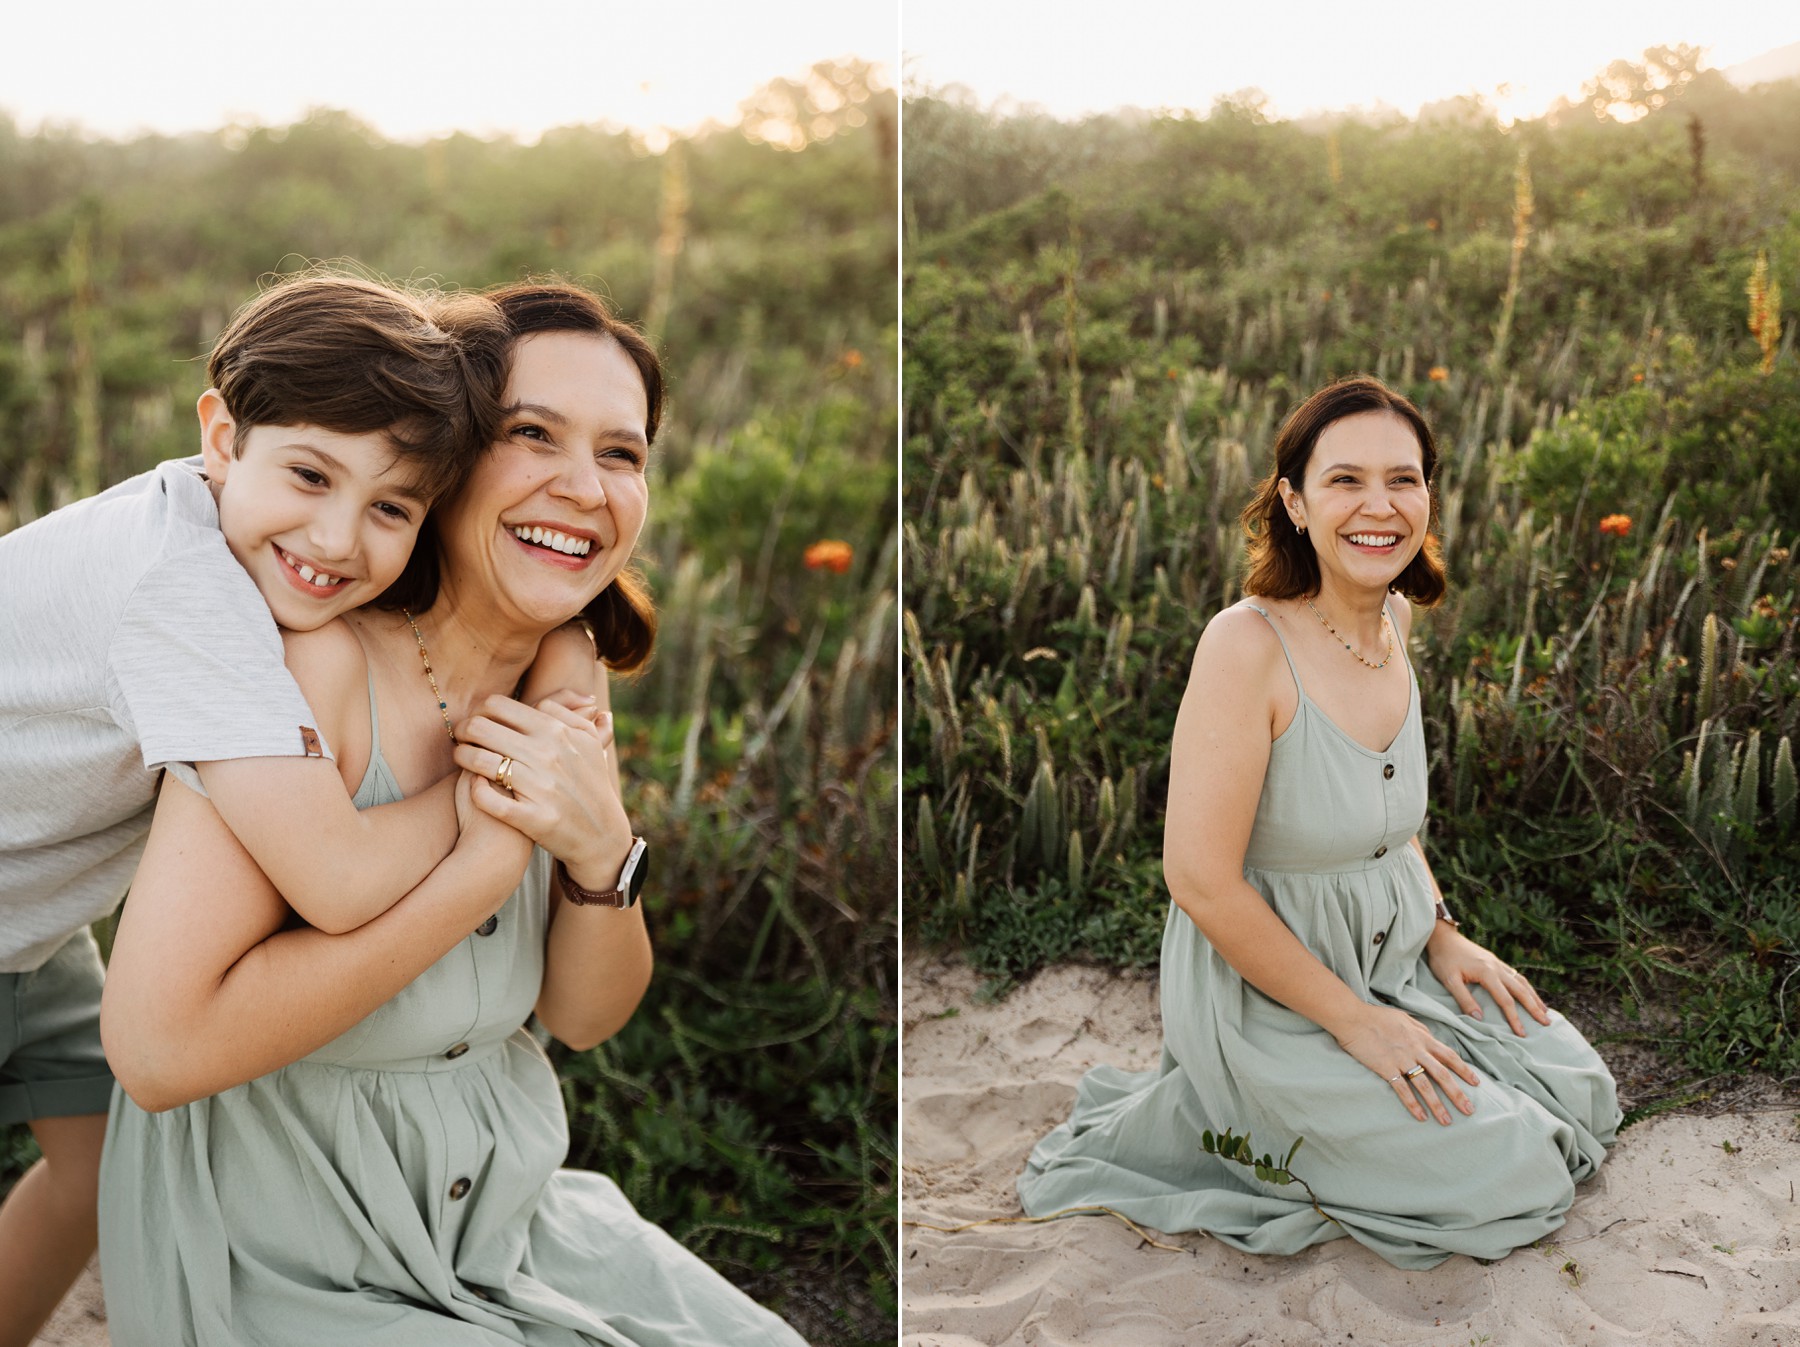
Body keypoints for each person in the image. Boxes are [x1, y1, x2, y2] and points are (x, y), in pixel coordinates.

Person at [96, 281, 809, 1345]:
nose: (585, 487)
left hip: (501, 1211)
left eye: (622, 454)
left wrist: (601, 852)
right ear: (443, 456)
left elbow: (580, 1018)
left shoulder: (561, 668)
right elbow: (158, 1056)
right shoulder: (307, 669)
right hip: (281, 1236)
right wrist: (481, 862)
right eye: (533, 435)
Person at [0, 271, 523, 1346]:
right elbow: (335, 882)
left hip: (30, 929)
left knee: (100, 1161)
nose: (337, 539)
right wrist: (490, 795)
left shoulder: (198, 534)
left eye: (390, 507)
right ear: (222, 437)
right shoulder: (183, 594)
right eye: (311, 474)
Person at [1017, 375, 1621, 1269]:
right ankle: (1237, 1122)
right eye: (1345, 481)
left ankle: (1389, 1097)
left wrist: (1444, 935)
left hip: (1394, 955)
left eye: (1403, 480)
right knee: (1519, 1173)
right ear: (1294, 503)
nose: (1379, 507)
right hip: (1270, 997)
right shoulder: (1245, 644)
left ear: (1428, 497)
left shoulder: (1395, 621)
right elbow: (1199, 880)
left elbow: (1385, 821)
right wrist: (1354, 1021)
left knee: (1585, 1093)